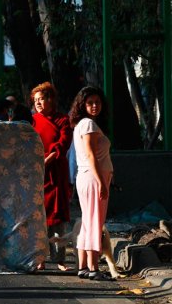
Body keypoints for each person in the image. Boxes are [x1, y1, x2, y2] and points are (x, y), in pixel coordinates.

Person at [69, 86, 114, 281]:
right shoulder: (88, 125)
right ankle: (94, 268)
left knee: (88, 222)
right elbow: (90, 155)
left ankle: (84, 266)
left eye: (98, 102)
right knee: (95, 223)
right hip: (93, 178)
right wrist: (101, 182)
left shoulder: (83, 124)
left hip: (88, 177)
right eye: (90, 103)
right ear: (82, 105)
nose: (95, 106)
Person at [31, 82, 73, 271]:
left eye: (41, 99)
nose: (38, 103)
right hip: (38, 172)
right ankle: (40, 258)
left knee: (58, 218)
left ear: (50, 100)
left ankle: (60, 259)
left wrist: (49, 158)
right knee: (39, 217)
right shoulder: (32, 121)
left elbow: (63, 143)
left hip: (56, 172)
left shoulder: (63, 120)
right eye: (35, 100)